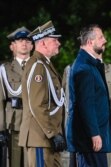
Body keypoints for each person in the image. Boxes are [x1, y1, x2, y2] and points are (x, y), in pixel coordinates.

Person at [18, 20, 66, 166]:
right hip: (40, 137)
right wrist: (52, 133)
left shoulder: (45, 64)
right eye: (55, 40)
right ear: (43, 43)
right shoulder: (38, 66)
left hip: (47, 137)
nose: (59, 43)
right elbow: (37, 104)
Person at [67, 24, 111, 167]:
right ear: (90, 42)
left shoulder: (90, 64)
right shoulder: (84, 67)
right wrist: (94, 133)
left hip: (93, 137)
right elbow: (86, 104)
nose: (104, 40)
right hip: (90, 139)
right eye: (100, 37)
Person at [0, 26, 33, 167]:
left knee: (33, 162)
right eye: (20, 40)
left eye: (27, 40)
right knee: (15, 162)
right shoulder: (5, 70)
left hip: (35, 123)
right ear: (12, 46)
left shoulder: (39, 67)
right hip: (15, 123)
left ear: (32, 45)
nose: (24, 43)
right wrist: (1, 129)